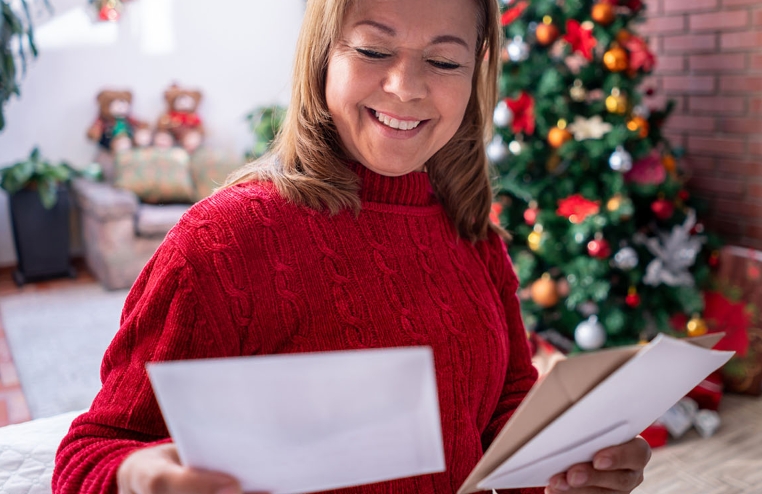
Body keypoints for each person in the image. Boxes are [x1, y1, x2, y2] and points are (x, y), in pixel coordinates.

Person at [53, 0, 651, 493]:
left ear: (478, 69)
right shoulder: (219, 246)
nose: (406, 87)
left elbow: (499, 415)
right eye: (372, 50)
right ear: (323, 55)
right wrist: (134, 477)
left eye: (444, 61)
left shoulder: (474, 238)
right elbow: (90, 453)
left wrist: (560, 469)